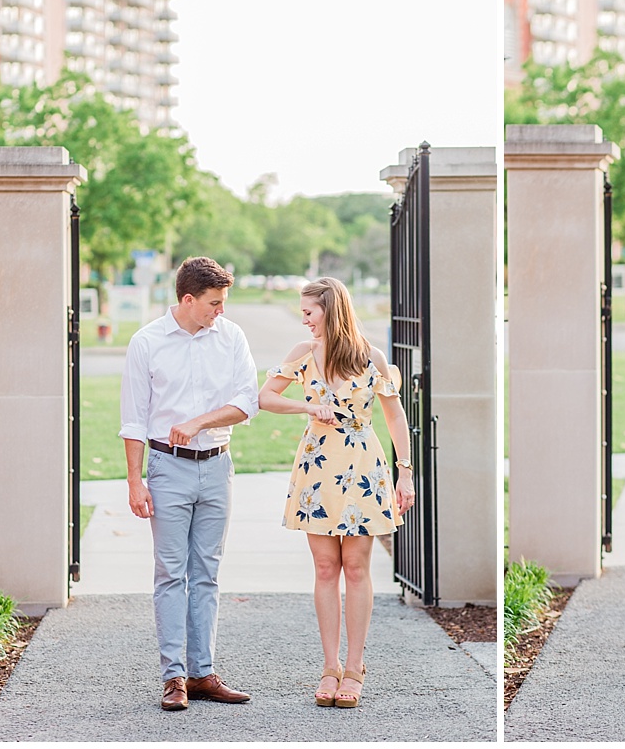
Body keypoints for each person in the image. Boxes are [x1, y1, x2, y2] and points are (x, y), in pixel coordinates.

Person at [258, 277, 415, 708]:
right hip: (318, 466)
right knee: (326, 568)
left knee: (357, 567)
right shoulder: (303, 353)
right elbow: (265, 397)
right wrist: (307, 406)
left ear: (330, 308)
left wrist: (406, 473)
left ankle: (355, 666)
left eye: (309, 310)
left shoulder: (371, 358)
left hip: (363, 465)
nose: (304, 317)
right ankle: (330, 665)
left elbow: (396, 419)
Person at [120, 257, 258, 711]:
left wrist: (199, 422)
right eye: (214, 303)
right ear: (188, 299)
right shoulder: (147, 343)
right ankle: (174, 678)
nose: (220, 310)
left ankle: (203, 673)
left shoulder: (231, 336)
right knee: (170, 573)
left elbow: (246, 400)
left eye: (223, 302)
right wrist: (135, 482)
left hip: (218, 465)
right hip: (167, 468)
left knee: (207, 574)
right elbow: (134, 420)